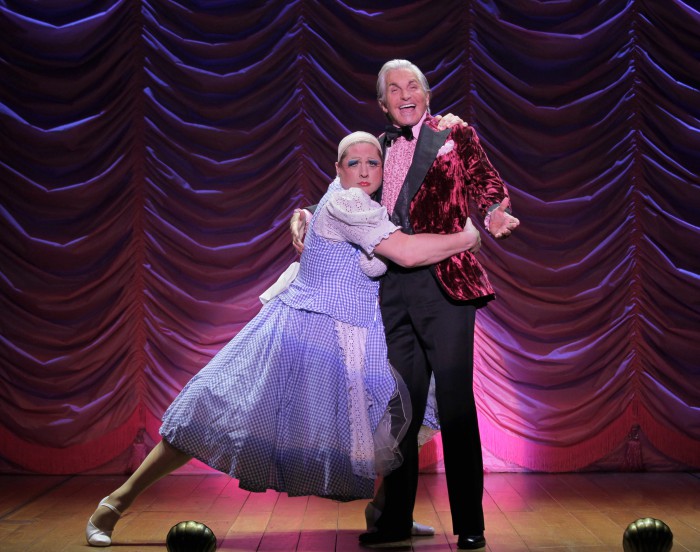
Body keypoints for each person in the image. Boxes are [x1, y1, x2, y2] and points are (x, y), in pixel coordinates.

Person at [85, 131, 482, 547]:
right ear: (337, 169)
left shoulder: (364, 201)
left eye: (373, 164)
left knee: (401, 410)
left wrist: (307, 211)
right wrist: (468, 239)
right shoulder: (348, 202)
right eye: (354, 164)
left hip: (357, 333)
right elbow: (405, 253)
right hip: (306, 331)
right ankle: (115, 502)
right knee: (217, 412)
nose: (365, 171)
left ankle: (388, 512)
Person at [291, 60, 520, 550]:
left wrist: (496, 214)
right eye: (393, 89)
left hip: (445, 285)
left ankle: (470, 525)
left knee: (456, 405)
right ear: (382, 103)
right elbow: (351, 191)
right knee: (402, 411)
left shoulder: (454, 135)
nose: (404, 93)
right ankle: (394, 519)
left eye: (412, 84)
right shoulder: (380, 145)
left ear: (427, 92)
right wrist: (307, 212)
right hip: (393, 290)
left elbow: (487, 184)